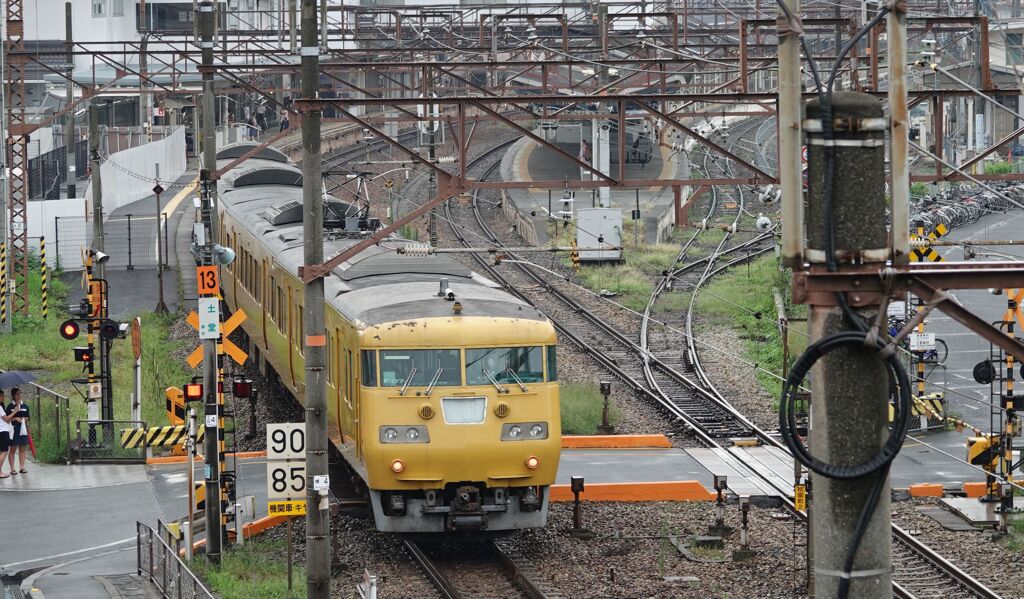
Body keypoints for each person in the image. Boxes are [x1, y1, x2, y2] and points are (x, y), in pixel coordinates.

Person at [7, 388, 28, 474]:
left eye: (20, 393)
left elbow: (28, 417)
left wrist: (25, 419)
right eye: (17, 394)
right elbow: (6, 419)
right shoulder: (10, 406)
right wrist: (15, 418)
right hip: (14, 429)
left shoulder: (25, 406)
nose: (19, 395)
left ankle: (22, 467)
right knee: (13, 449)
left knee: (22, 448)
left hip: (23, 429)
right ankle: (12, 469)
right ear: (13, 396)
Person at [0, 390, 16, 479]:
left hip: (2, 430)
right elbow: (6, 419)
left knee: (2, 451)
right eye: (1, 395)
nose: (3, 397)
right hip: (3, 431)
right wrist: (15, 411)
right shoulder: (0, 407)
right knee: (4, 451)